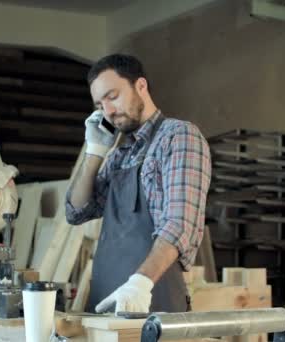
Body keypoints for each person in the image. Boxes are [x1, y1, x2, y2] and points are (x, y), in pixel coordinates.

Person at [65, 54, 211, 314]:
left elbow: (180, 224)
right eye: (100, 104)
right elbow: (76, 212)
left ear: (141, 86)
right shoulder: (119, 155)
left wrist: (139, 284)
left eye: (112, 96)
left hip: (152, 299)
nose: (107, 111)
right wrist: (94, 152)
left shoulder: (179, 137)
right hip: (105, 299)